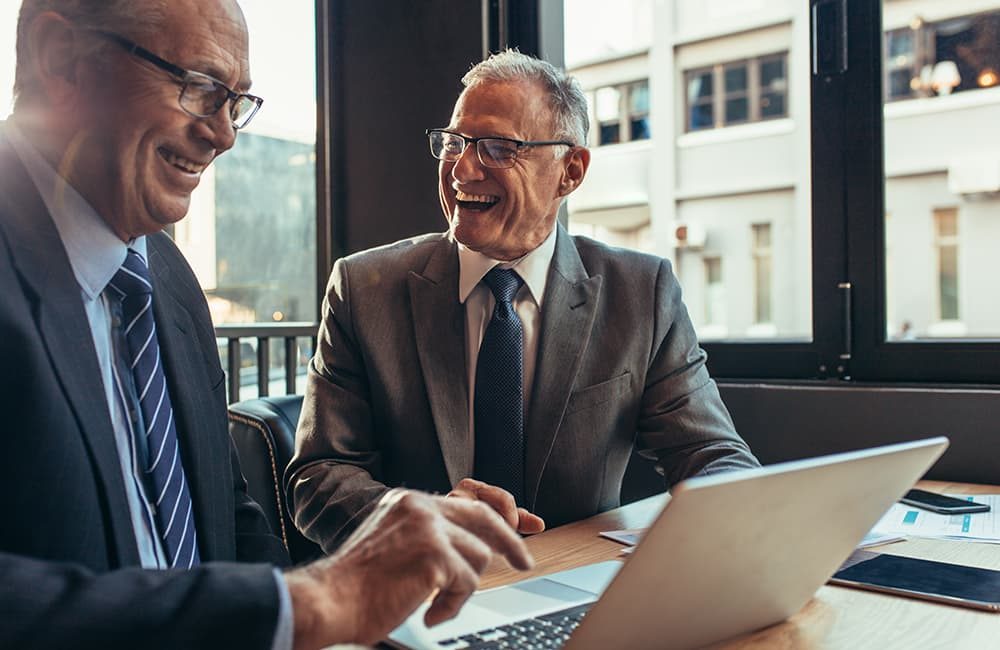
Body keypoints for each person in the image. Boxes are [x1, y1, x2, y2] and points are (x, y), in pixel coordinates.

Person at [0, 2, 532, 648]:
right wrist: (316, 600)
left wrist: (335, 607)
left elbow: (227, 520)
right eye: (200, 89)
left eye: (235, 102)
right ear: (62, 60)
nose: (224, 135)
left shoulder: (166, 277)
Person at [286, 50, 759, 552]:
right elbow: (318, 476)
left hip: (576, 587)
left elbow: (710, 453)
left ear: (570, 171)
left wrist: (729, 531)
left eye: (496, 148)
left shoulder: (642, 292)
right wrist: (421, 519)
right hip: (415, 587)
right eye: (454, 143)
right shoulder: (364, 288)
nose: (462, 170)